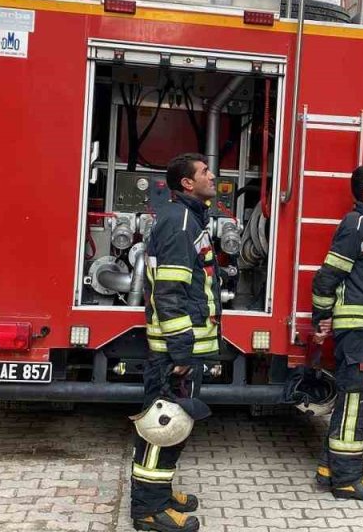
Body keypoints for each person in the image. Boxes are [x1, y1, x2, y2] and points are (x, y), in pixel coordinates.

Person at [130, 153, 223, 532]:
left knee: (174, 425)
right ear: (187, 183)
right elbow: (169, 292)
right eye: (204, 172)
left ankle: (160, 493)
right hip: (175, 351)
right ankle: (149, 511)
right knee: (161, 426)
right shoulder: (181, 222)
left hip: (180, 348)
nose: (212, 176)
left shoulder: (187, 219)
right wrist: (181, 351)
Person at [310, 164, 363, 501]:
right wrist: (321, 317)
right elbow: (326, 277)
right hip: (358, 328)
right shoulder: (355, 225)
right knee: (358, 397)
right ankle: (346, 479)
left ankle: (330, 465)